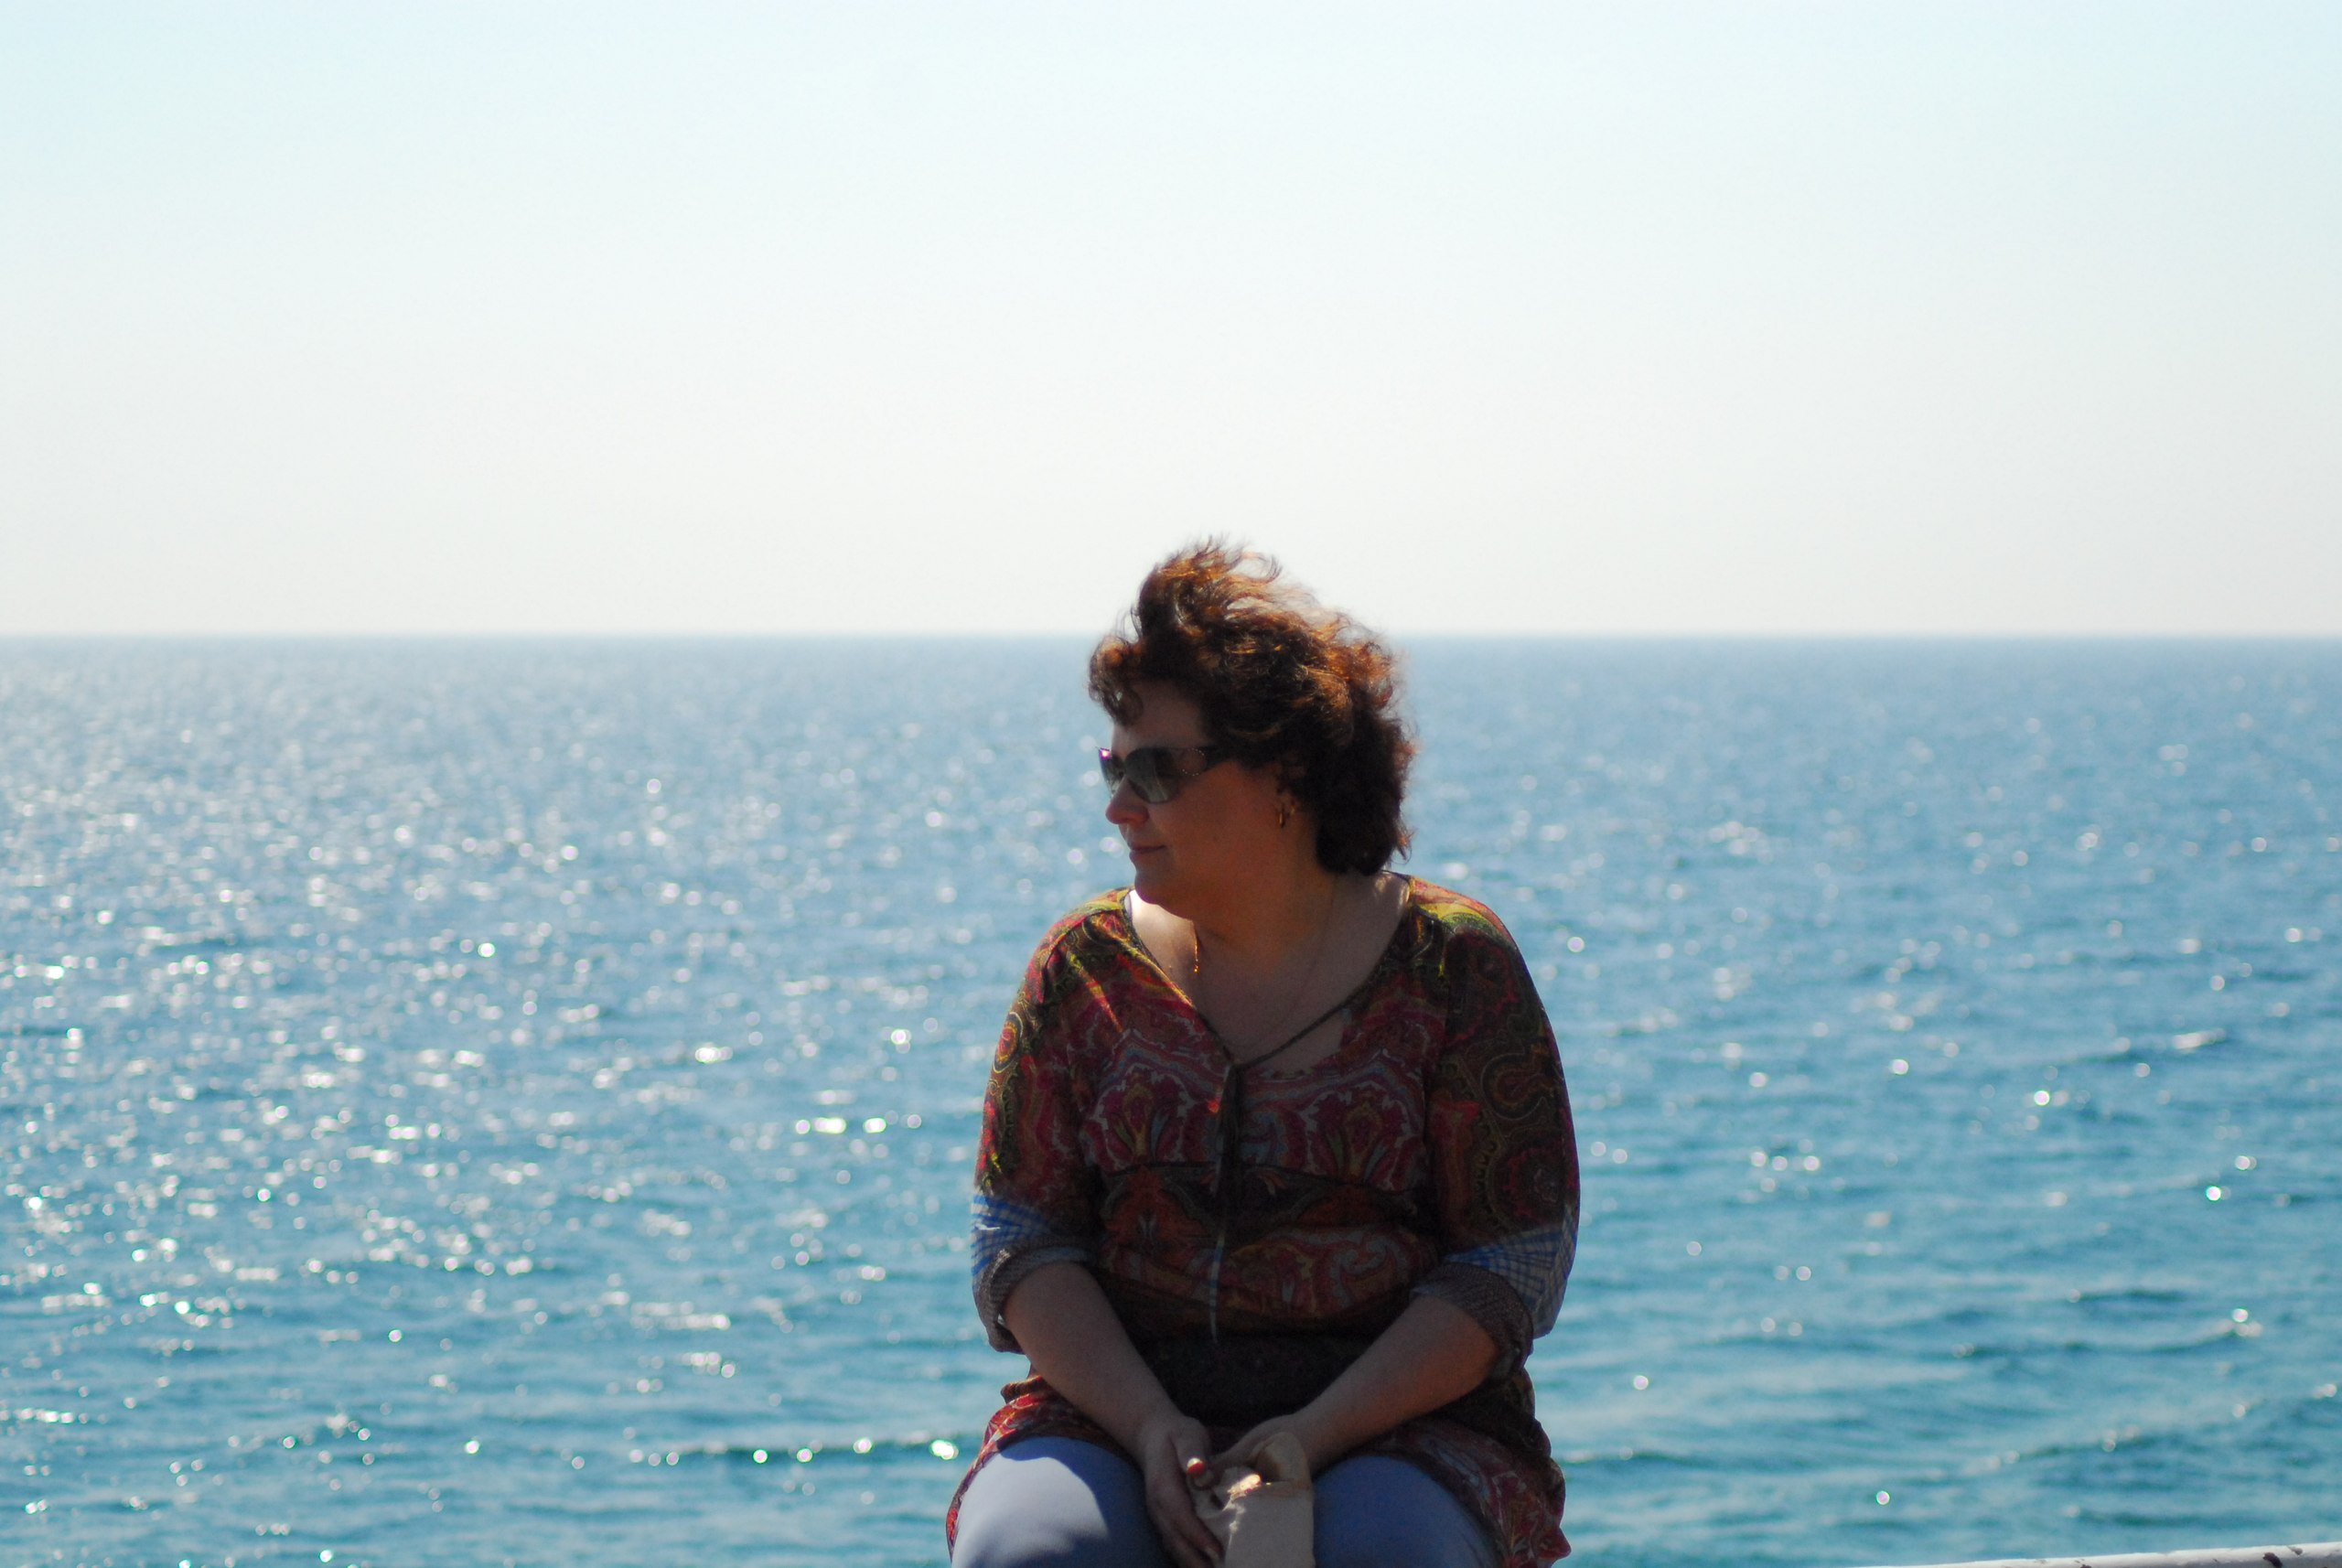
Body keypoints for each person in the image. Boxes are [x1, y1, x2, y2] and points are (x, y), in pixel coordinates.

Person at [948, 543, 1580, 1568]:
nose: (1119, 806)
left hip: (1399, 1427)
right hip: (1116, 1413)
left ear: (1285, 776)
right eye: (1113, 767)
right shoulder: (1083, 969)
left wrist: (1309, 1437)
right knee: (1031, 1555)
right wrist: (1151, 1426)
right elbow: (1022, 1238)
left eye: (1155, 770)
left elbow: (1507, 1264)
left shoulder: (1453, 965)